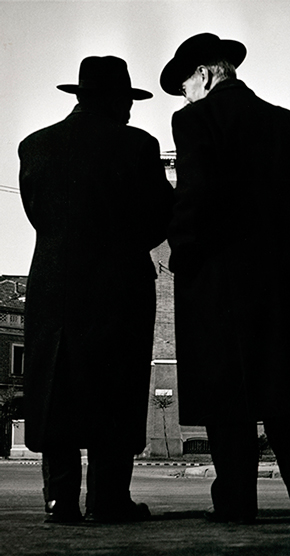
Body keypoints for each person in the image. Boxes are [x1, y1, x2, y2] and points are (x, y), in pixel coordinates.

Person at [160, 33, 290, 524]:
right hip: (280, 281)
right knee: (286, 394)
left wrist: (180, 251)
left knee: (229, 399)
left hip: (219, 280)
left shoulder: (193, 120)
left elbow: (196, 191)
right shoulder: (286, 123)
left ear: (205, 74)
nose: (184, 95)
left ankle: (236, 504)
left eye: (185, 85)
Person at [18, 56, 174, 523]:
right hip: (118, 284)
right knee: (116, 388)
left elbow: (37, 215)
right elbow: (160, 216)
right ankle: (108, 498)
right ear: (115, 100)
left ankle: (59, 499)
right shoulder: (138, 147)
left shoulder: (35, 146)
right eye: (127, 101)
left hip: (54, 282)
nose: (129, 110)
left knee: (56, 388)